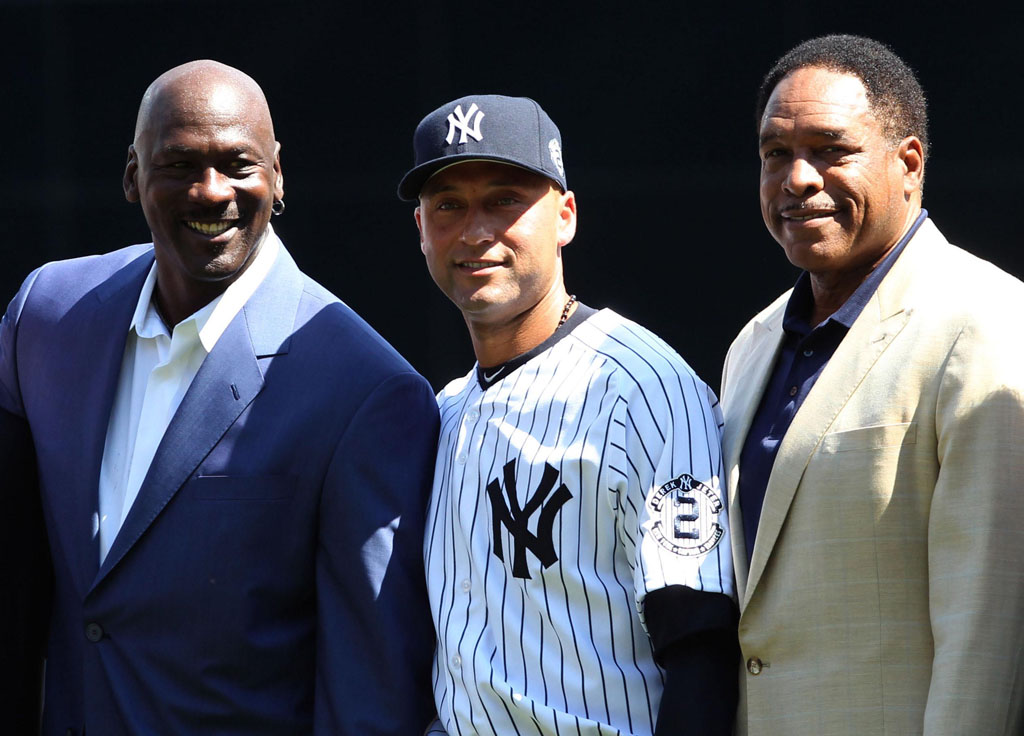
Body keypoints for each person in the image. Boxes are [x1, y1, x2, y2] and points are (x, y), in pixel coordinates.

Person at [0, 60, 439, 735]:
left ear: (278, 174)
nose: (211, 192)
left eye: (237, 164)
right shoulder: (46, 319)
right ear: (131, 175)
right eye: (179, 164)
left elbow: (369, 698)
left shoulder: (366, 392)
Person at [399, 94, 738, 736]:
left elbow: (702, 645)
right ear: (421, 230)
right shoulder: (443, 412)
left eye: (504, 199)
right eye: (448, 206)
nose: (475, 231)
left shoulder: (644, 387)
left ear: (565, 216)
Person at [721, 34, 1024, 735]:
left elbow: (988, 631)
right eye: (776, 154)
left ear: (908, 163)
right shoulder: (753, 344)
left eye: (830, 149)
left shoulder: (985, 322)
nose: (796, 178)